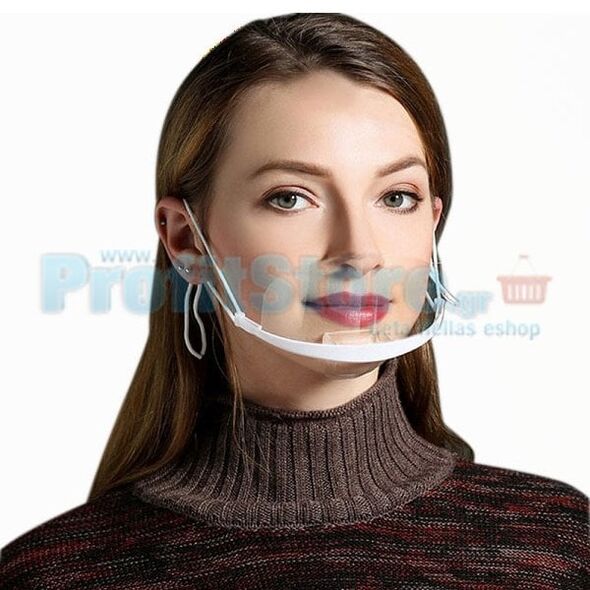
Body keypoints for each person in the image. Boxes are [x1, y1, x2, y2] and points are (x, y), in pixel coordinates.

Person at [1, 12, 588, 589]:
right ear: (186, 240)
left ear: (432, 222)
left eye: (396, 197)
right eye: (290, 197)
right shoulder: (51, 575)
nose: (359, 252)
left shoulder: (557, 547)